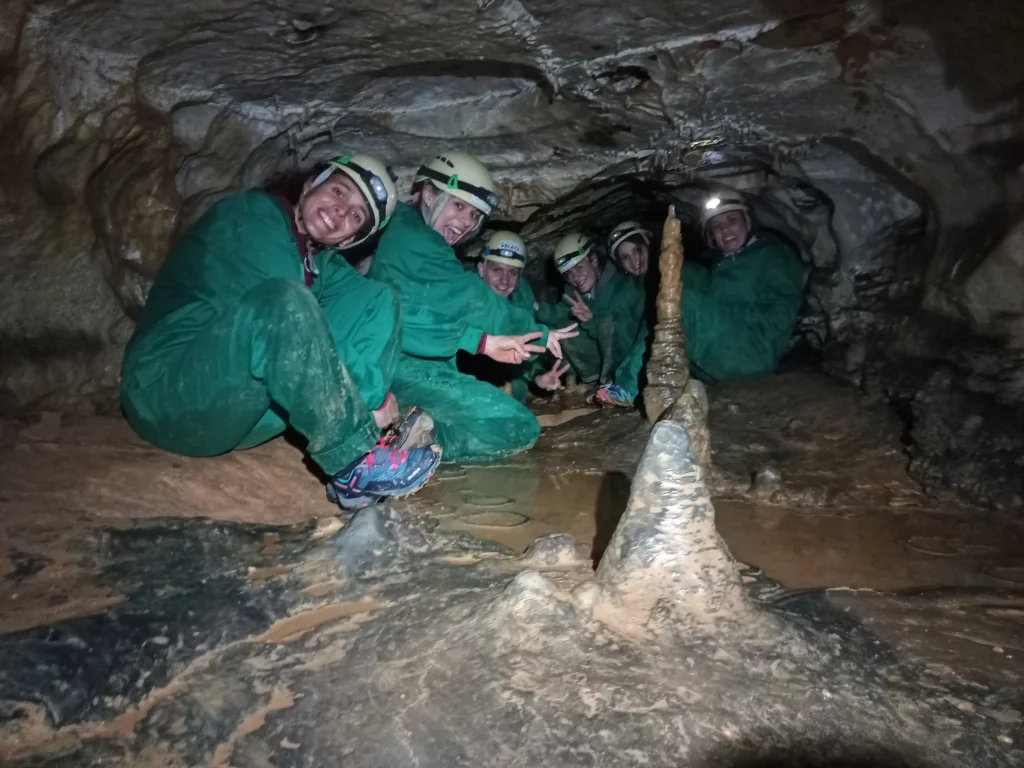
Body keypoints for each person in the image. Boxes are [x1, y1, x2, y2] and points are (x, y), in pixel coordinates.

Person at [121, 155, 442, 511]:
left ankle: (361, 442)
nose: (340, 212)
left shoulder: (317, 261)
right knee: (285, 300)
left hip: (240, 415)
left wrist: (475, 339)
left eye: (355, 217)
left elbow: (369, 308)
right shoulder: (252, 215)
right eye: (338, 192)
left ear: (352, 238)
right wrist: (375, 400)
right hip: (168, 395)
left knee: (379, 297)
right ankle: (352, 464)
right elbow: (289, 318)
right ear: (309, 185)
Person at [368, 152, 577, 463]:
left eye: (475, 216)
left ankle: (409, 433)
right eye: (459, 206)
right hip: (404, 370)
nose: (465, 222)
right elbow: (474, 302)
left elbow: (415, 316)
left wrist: (504, 356)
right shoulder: (419, 242)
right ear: (429, 194)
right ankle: (417, 448)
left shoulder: (401, 232)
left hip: (398, 366)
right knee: (518, 426)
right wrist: (538, 333)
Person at [681, 191, 805, 382]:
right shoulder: (725, 262)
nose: (725, 230)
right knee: (676, 275)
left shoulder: (770, 257)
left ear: (748, 223)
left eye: (732, 220)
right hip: (722, 344)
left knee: (685, 302)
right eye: (717, 225)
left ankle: (633, 384)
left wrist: (727, 316)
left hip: (750, 352)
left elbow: (782, 312)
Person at [536, 231, 646, 402]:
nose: (575, 277)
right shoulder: (574, 293)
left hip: (628, 359)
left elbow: (628, 330)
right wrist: (536, 308)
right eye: (568, 274)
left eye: (579, 267)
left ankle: (613, 384)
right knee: (556, 330)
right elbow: (561, 313)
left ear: (593, 261)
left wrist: (591, 320)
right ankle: (585, 380)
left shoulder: (626, 286)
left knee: (608, 322)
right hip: (600, 360)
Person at [470, 230, 570, 402]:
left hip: (504, 365)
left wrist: (538, 376)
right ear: (481, 269)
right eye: (497, 270)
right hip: (467, 366)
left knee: (516, 386)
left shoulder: (522, 294)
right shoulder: (466, 292)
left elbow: (526, 345)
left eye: (512, 273)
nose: (504, 281)